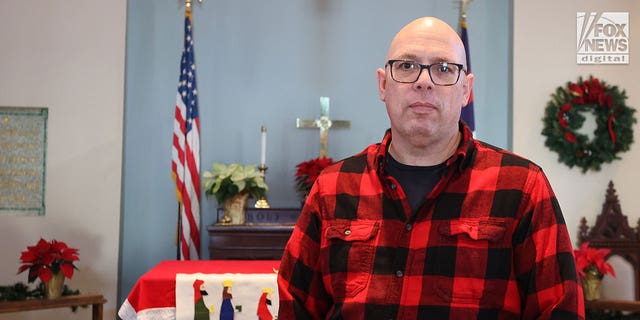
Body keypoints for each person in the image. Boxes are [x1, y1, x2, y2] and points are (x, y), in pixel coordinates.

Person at [278, 17, 584, 320]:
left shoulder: (522, 187)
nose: (423, 81)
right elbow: (296, 309)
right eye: (407, 66)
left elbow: (560, 310)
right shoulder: (332, 188)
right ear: (383, 84)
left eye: (443, 68)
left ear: (466, 89)